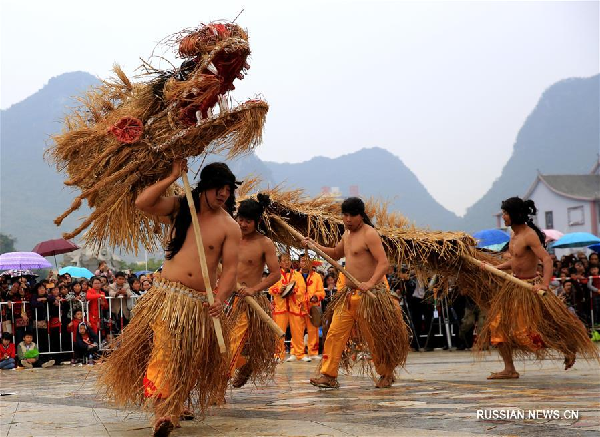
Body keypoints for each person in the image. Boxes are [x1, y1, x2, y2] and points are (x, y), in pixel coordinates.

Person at [100, 160, 241, 436]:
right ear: (204, 188)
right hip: (168, 298)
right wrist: (173, 176)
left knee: (187, 361)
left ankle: (174, 408)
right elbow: (143, 202)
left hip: (199, 304)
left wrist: (220, 299)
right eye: (218, 189)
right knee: (164, 353)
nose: (223, 194)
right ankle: (162, 412)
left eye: (227, 189)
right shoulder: (181, 208)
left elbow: (231, 271)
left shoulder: (229, 226)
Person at [307, 197, 408, 389]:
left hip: (370, 297)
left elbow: (384, 263)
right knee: (334, 333)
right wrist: (314, 246)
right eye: (344, 215)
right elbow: (336, 254)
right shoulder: (347, 234)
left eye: (351, 215)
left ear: (360, 216)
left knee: (374, 337)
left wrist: (370, 283)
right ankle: (328, 375)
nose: (347, 219)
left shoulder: (370, 234)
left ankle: (386, 373)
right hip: (348, 295)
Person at [486, 197, 573, 379]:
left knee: (526, 333)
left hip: (529, 288)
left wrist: (545, 285)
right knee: (497, 326)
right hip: (514, 287)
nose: (503, 216)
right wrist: (496, 268)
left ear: (515, 215)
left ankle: (566, 347)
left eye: (506, 213)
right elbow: (516, 260)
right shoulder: (513, 235)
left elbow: (547, 260)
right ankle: (509, 369)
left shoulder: (529, 235)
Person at [228, 194, 281, 388]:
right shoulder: (229, 236)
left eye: (247, 221)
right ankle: (242, 364)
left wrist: (253, 289)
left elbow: (276, 274)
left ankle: (219, 382)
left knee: (233, 341)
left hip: (248, 300)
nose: (242, 224)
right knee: (216, 341)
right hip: (224, 297)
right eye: (240, 219)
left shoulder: (264, 243)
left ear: (257, 221)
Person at [269, 254, 307, 362]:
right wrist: (279, 289)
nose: (287, 262)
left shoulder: (297, 275)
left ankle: (299, 354)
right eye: (284, 260)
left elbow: (302, 289)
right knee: (279, 332)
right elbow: (271, 289)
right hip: (280, 308)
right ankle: (278, 354)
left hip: (294, 307)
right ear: (279, 263)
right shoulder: (275, 275)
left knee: (298, 331)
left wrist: (293, 290)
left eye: (288, 260)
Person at [299, 253, 325, 360]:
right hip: (299, 307)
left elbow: (322, 292)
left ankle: (313, 353)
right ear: (299, 263)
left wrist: (316, 296)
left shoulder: (317, 276)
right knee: (297, 330)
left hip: (313, 307)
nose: (304, 263)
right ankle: (297, 353)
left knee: (313, 330)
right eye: (302, 261)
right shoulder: (295, 275)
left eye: (306, 261)